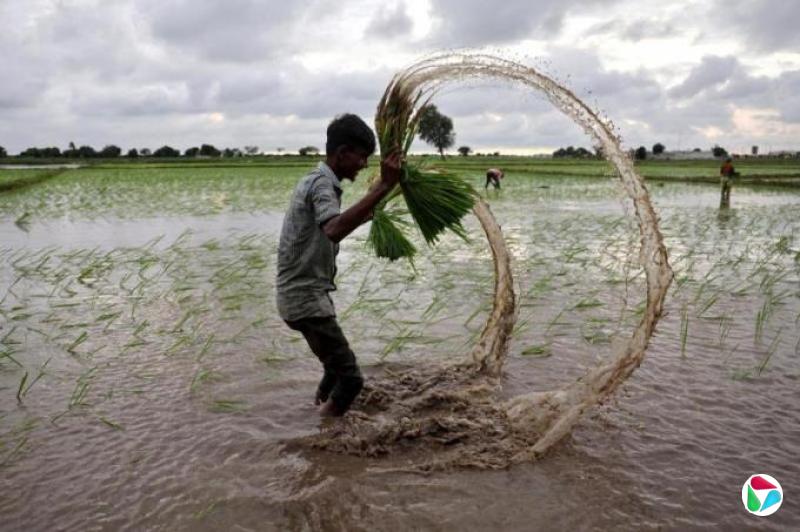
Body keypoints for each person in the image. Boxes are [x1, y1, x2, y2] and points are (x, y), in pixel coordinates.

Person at [276, 114, 402, 417]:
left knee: (333, 371)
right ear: (343, 152)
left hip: (303, 297)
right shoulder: (321, 184)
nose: (364, 164)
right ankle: (322, 437)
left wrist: (373, 205)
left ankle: (315, 410)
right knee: (351, 380)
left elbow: (331, 227)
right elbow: (333, 229)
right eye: (362, 157)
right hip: (305, 300)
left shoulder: (317, 181)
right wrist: (383, 186)